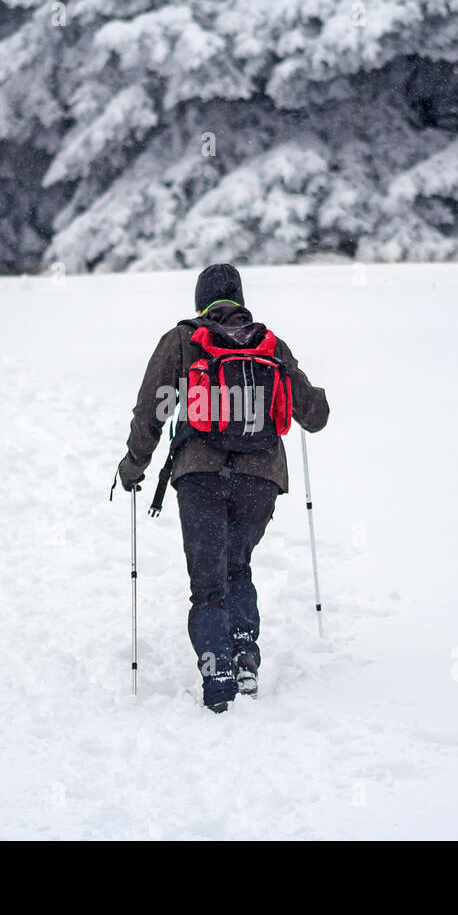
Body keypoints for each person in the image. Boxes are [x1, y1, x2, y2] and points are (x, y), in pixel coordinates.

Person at [116, 263, 329, 712]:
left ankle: (218, 673)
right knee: (238, 566)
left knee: (208, 581)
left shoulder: (182, 340)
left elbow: (151, 409)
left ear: (201, 302)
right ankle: (245, 658)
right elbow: (315, 415)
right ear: (240, 299)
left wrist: (134, 466)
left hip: (199, 475)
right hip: (261, 477)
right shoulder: (270, 345)